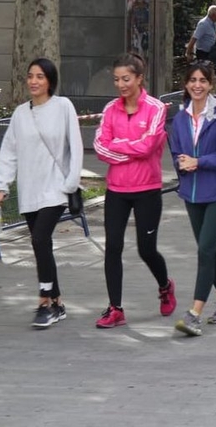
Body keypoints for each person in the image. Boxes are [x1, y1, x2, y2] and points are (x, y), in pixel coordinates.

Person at [0, 58, 83, 329]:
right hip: (30, 189)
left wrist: (70, 183)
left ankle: (44, 302)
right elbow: (9, 150)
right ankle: (57, 302)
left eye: (40, 76)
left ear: (50, 81)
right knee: (43, 245)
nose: (34, 81)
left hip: (56, 189)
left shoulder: (63, 106)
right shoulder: (20, 113)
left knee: (40, 239)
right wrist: (2, 186)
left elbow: (75, 147)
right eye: (30, 76)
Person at [93, 53, 174, 328]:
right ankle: (115, 308)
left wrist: (119, 144)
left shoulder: (156, 108)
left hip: (147, 189)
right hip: (117, 189)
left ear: (139, 78)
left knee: (146, 249)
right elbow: (100, 147)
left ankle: (165, 286)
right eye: (116, 79)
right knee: (112, 247)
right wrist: (130, 149)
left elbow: (149, 146)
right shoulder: (109, 110)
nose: (120, 84)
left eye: (126, 79)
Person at [168, 62, 216, 337]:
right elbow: (176, 151)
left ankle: (194, 314)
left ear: (211, 84)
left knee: (205, 250)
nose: (197, 85)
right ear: (186, 84)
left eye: (202, 81)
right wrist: (182, 164)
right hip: (192, 194)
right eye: (192, 80)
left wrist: (199, 162)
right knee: (207, 250)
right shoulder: (181, 117)